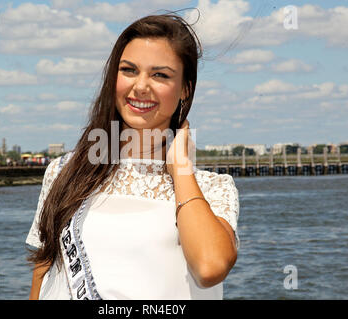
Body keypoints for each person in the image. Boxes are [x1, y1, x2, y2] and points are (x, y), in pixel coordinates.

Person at [26, 13, 240, 300]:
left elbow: (209, 267)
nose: (141, 86)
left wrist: (180, 169)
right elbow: (44, 272)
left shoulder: (213, 189)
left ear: (185, 91)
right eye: (129, 70)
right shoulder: (63, 172)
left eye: (160, 74)